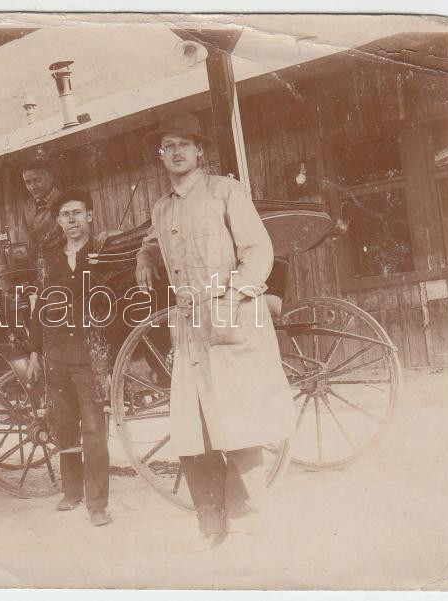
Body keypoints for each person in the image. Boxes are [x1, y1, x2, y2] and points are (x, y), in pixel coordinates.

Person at [136, 110, 295, 546]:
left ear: (199, 150)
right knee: (194, 429)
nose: (176, 152)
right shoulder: (162, 207)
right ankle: (211, 523)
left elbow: (258, 251)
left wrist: (233, 296)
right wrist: (143, 257)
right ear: (160, 156)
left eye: (184, 144)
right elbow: (154, 240)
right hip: (190, 327)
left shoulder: (225, 191)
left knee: (240, 424)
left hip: (231, 316)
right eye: (167, 147)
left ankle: (244, 524)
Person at [25, 189, 113, 527]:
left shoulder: (103, 252)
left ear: (89, 216)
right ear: (59, 221)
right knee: (63, 426)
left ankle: (97, 504)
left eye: (77, 212)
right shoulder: (49, 258)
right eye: (65, 214)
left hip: (91, 354)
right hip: (56, 354)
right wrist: (35, 351)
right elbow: (40, 306)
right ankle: (72, 492)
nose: (72, 219)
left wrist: (108, 358)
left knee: (94, 430)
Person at [20, 153, 64, 253]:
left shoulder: (65, 201)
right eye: (28, 182)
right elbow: (25, 242)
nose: (32, 187)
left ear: (50, 177)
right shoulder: (27, 208)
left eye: (37, 180)